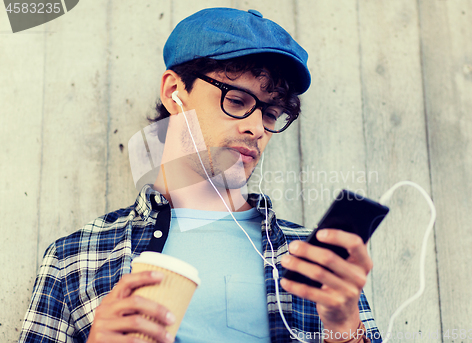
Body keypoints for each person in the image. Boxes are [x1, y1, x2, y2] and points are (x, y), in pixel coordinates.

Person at [19, 7, 382, 343]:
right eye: (237, 101)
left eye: (271, 113)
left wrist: (344, 326)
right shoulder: (75, 257)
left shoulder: (317, 261)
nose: (257, 128)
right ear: (175, 92)